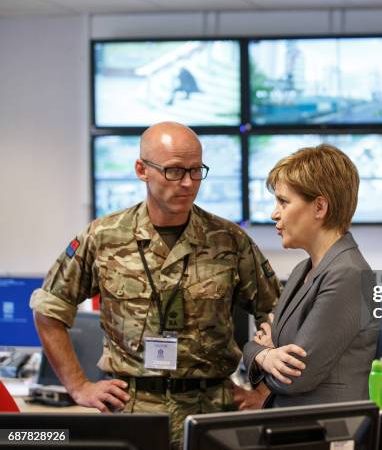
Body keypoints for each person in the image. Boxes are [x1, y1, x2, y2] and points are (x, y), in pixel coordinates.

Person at [30, 121, 279, 449]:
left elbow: (278, 313)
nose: (188, 183)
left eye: (196, 171)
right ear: (141, 169)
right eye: (175, 171)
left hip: (211, 411)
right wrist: (78, 386)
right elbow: (48, 310)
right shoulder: (103, 237)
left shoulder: (228, 240)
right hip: (131, 411)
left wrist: (264, 392)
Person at [237, 144, 379, 409]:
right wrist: (266, 353)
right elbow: (264, 346)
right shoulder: (303, 270)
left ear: (319, 207)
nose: (274, 213)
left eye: (283, 201)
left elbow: (293, 376)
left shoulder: (349, 274)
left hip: (327, 433)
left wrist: (260, 353)